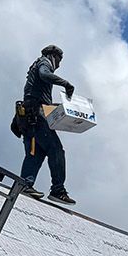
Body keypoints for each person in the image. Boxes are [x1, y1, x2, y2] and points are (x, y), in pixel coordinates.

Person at [18, 45, 77, 204]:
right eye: (59, 59)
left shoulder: (35, 67)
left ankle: (24, 184)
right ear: (52, 55)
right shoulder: (44, 63)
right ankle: (58, 189)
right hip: (36, 117)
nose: (59, 64)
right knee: (55, 149)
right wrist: (65, 84)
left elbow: (37, 97)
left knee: (36, 153)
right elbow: (44, 74)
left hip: (28, 118)